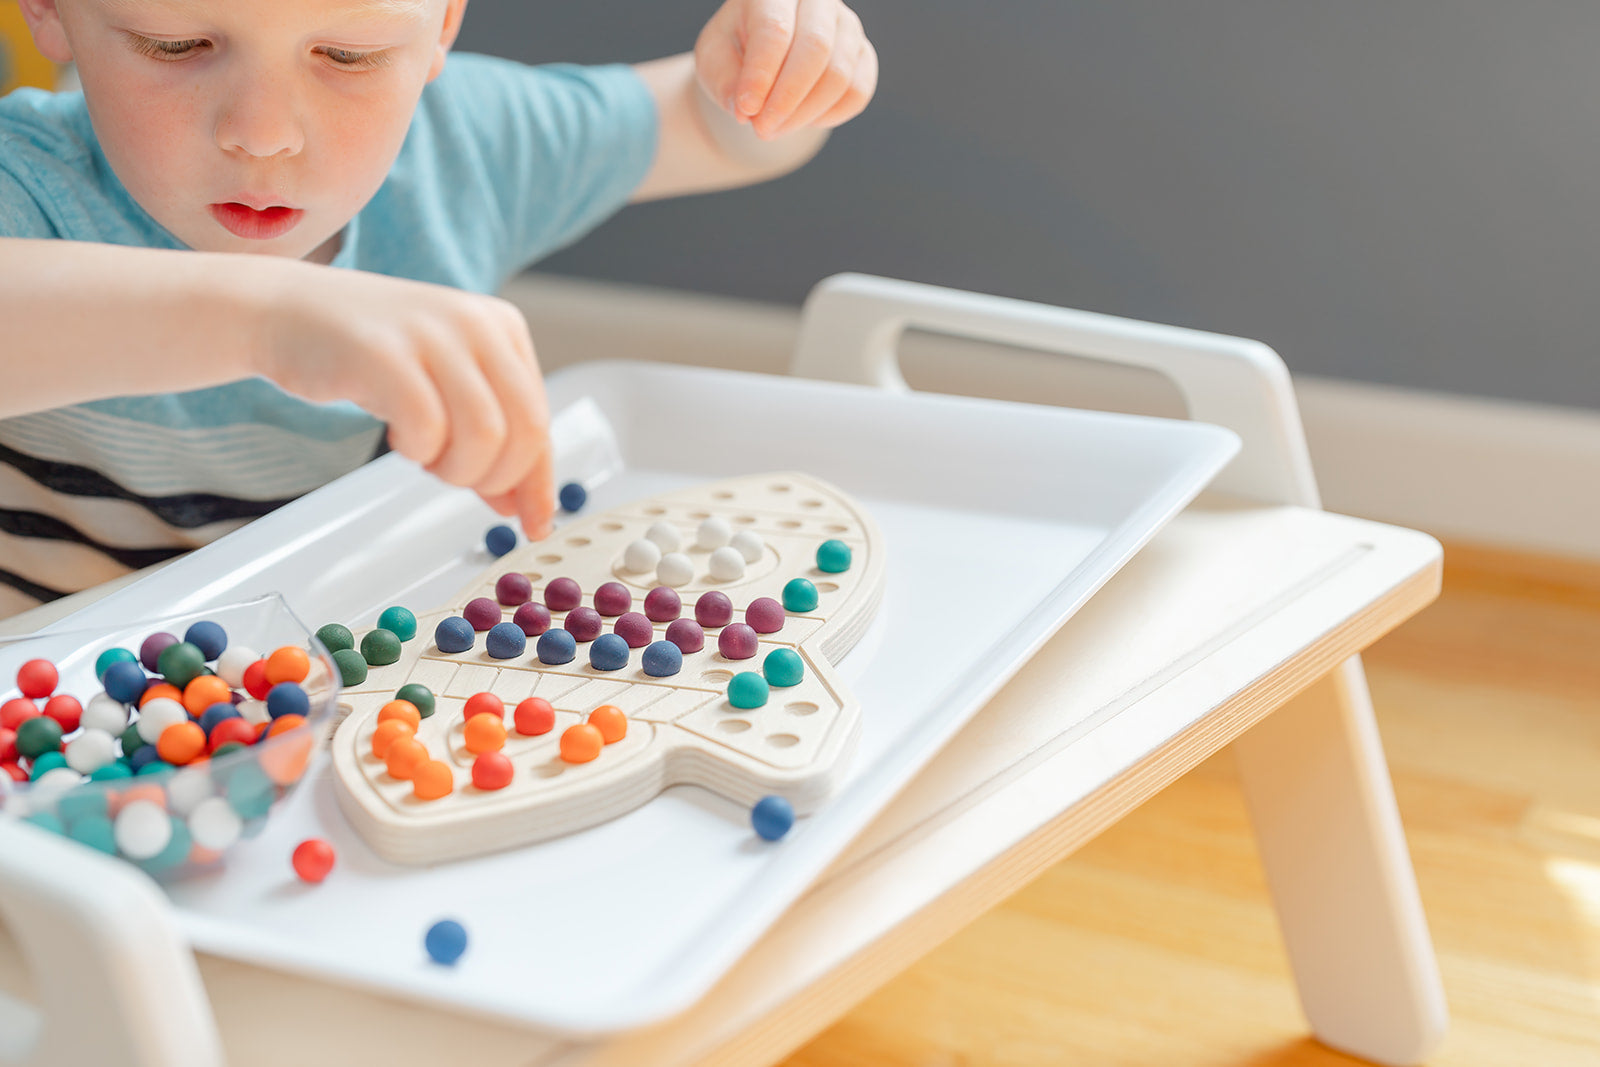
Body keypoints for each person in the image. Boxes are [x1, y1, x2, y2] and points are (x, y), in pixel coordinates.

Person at [0, 0, 877, 617]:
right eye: (176, 43)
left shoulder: (468, 146)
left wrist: (779, 72)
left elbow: (712, 127)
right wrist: (268, 317)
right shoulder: (28, 177)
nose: (263, 133)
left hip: (324, 688)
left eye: (349, 55)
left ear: (443, 23)